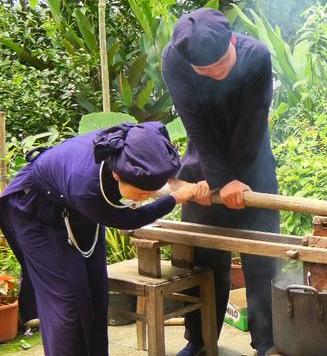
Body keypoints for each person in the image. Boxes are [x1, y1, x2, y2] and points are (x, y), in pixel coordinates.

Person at [0, 122, 199, 355]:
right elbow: (129, 219)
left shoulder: (139, 138)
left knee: (96, 292)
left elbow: (156, 131)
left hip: (74, 210)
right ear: (116, 174)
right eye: (141, 194)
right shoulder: (88, 187)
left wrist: (172, 178)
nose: (145, 198)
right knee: (67, 303)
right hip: (35, 215)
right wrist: (175, 198)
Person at [162, 8, 280, 356]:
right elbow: (194, 123)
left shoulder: (256, 55)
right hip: (205, 168)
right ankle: (199, 342)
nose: (215, 74)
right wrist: (219, 181)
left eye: (221, 65)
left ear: (232, 41)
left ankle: (267, 343)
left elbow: (253, 121)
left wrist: (237, 180)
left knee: (262, 260)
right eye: (205, 71)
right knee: (205, 261)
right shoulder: (175, 59)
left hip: (253, 164)